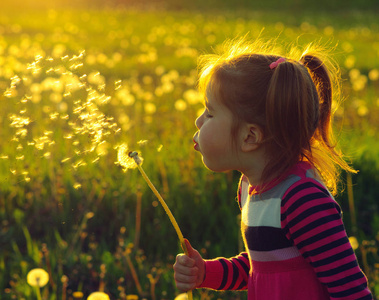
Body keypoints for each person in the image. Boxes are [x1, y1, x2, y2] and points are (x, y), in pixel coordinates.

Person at [173, 37, 373, 300]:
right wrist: (205, 273)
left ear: (250, 137)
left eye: (210, 112)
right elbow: (260, 267)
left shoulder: (302, 199)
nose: (199, 120)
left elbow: (350, 290)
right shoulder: (251, 187)